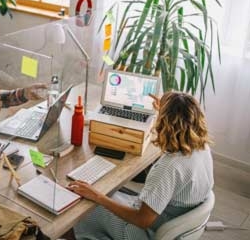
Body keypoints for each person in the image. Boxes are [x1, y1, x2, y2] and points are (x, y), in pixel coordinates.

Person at [67, 91, 214, 239]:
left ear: (165, 124)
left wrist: (96, 196)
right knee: (108, 192)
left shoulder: (169, 168)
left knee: (83, 207)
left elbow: (142, 220)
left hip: (142, 231)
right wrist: (163, 109)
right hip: (168, 217)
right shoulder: (202, 147)